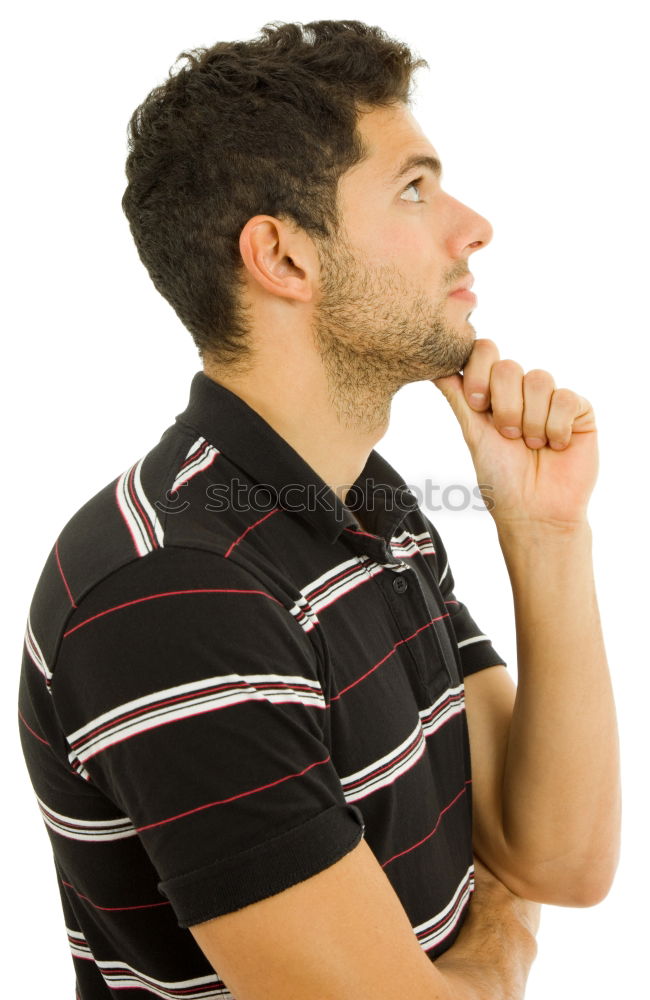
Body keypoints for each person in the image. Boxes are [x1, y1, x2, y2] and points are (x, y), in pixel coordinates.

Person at [18, 19, 621, 1000]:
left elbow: (558, 858)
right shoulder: (172, 594)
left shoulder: (365, 503)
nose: (471, 227)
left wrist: (546, 531)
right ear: (284, 259)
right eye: (413, 189)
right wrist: (501, 939)